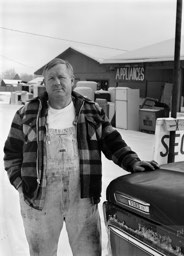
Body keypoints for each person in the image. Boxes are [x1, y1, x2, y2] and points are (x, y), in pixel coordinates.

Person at [3, 58, 158, 256]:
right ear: (44, 83)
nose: (57, 82)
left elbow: (113, 142)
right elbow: (11, 154)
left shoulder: (90, 110)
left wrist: (133, 162)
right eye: (51, 78)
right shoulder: (27, 114)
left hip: (82, 197)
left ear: (72, 81)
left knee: (89, 251)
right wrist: (21, 186)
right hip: (38, 200)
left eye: (61, 77)